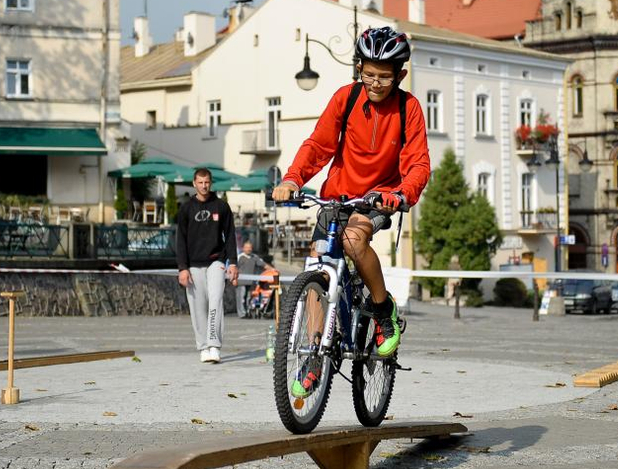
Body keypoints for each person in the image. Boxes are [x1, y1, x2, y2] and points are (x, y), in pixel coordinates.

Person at [272, 26, 431, 398]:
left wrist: (403, 192)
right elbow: (318, 145)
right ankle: (314, 355)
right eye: (368, 74)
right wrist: (293, 178)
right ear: (359, 68)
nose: (375, 83)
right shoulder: (345, 99)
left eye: (384, 77)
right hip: (337, 196)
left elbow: (418, 164)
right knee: (317, 264)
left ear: (400, 76)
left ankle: (382, 310)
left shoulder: (408, 109)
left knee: (354, 239)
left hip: (379, 197)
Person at [176, 168, 239, 363]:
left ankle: (214, 345)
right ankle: (203, 347)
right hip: (193, 264)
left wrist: (233, 263)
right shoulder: (186, 208)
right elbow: (181, 239)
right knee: (197, 306)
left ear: (211, 183)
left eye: (207, 182)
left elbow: (229, 236)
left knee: (215, 300)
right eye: (200, 182)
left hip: (216, 261)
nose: (204, 186)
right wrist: (182, 268)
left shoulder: (221, 206)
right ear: (194, 184)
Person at [236, 240, 277, 318]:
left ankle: (247, 312)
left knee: (248, 298)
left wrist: (273, 270)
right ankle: (242, 314)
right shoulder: (239, 257)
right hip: (241, 282)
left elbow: (264, 265)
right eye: (247, 247)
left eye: (250, 247)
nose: (248, 249)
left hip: (251, 282)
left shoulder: (254, 257)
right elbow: (234, 268)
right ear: (243, 248)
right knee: (241, 298)